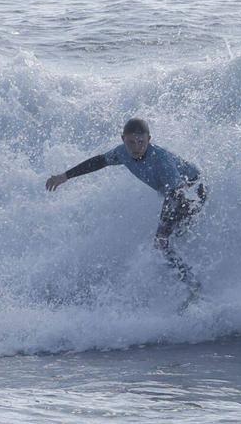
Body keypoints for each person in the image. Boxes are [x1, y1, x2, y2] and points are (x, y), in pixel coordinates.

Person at [46, 118, 208, 299]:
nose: (136, 147)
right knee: (171, 239)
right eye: (131, 142)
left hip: (193, 190)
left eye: (141, 142)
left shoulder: (162, 161)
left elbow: (176, 195)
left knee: (162, 242)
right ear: (123, 139)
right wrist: (65, 176)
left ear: (149, 139)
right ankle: (186, 278)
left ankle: (194, 287)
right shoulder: (122, 153)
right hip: (178, 193)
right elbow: (99, 161)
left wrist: (162, 232)